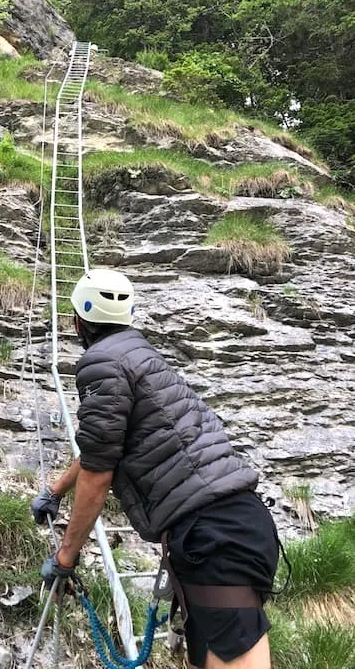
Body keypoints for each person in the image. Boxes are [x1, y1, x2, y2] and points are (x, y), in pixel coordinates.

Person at [31, 268, 280, 669]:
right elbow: (99, 450)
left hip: (212, 539)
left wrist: (65, 558)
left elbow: (98, 473)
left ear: (77, 320)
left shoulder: (101, 363)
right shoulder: (143, 358)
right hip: (233, 526)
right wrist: (56, 491)